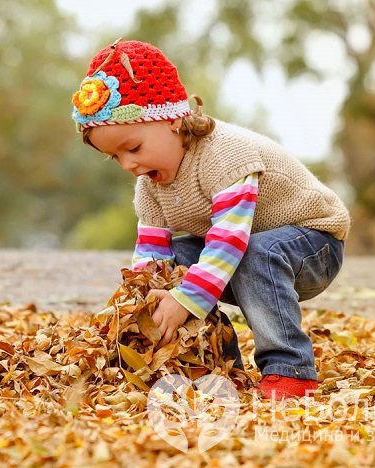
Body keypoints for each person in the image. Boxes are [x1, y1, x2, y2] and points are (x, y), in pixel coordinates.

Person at [70, 38, 350, 400]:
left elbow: (229, 240)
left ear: (171, 119)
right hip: (247, 250)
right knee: (178, 261)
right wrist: (143, 304)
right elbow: (151, 258)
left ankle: (290, 367)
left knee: (253, 252)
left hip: (313, 243)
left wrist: (186, 300)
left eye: (133, 148)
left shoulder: (226, 155)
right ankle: (221, 364)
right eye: (115, 157)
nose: (129, 165)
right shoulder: (149, 186)